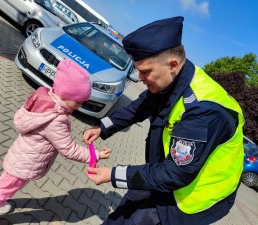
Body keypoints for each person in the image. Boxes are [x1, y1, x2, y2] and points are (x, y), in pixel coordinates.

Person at [83, 16, 244, 225]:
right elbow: (141, 105)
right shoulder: (171, 79)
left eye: (145, 71)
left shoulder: (204, 109)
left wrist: (113, 175)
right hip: (162, 173)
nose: (139, 78)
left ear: (172, 64)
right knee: (120, 216)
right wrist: (103, 127)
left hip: (188, 199)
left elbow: (175, 173)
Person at [0, 58, 110, 225]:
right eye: (78, 101)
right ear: (66, 94)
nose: (79, 106)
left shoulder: (46, 101)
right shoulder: (55, 119)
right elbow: (68, 149)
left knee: (5, 184)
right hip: (26, 162)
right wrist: (95, 155)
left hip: (21, 157)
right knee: (4, 188)